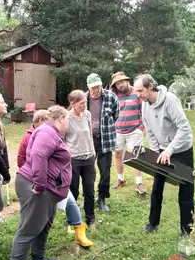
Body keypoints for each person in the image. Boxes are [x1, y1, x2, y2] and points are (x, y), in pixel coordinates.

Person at [7, 105, 72, 260]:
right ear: (60, 118)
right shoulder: (47, 132)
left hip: (48, 189)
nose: (68, 124)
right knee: (29, 227)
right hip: (36, 186)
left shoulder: (51, 133)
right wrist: (40, 184)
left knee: (44, 224)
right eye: (67, 120)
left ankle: (38, 259)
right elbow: (38, 155)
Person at [17, 109, 94, 248]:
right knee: (31, 223)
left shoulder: (51, 133)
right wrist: (38, 182)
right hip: (41, 184)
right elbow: (29, 159)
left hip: (54, 183)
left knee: (47, 219)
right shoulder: (43, 134)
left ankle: (39, 257)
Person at [133, 74, 195, 235]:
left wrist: (170, 149)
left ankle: (187, 229)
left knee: (185, 191)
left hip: (181, 150)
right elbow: (150, 132)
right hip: (162, 151)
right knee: (156, 188)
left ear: (150, 87)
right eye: (136, 91)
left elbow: (184, 128)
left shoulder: (170, 100)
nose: (138, 94)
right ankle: (153, 224)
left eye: (140, 90)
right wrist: (156, 152)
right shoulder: (145, 105)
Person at [109, 71, 148, 195]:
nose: (120, 85)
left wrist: (141, 127)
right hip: (118, 131)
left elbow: (145, 112)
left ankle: (139, 183)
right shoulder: (114, 95)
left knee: (135, 157)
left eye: (122, 82)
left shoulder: (137, 93)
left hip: (134, 131)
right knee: (118, 154)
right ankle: (121, 179)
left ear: (127, 81)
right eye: (117, 83)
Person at [86, 73, 119, 212]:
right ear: (88, 87)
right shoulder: (83, 98)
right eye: (93, 87)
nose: (96, 90)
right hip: (88, 141)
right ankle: (89, 197)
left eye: (98, 86)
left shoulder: (111, 97)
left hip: (105, 139)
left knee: (105, 171)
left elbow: (115, 115)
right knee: (88, 171)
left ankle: (102, 198)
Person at [65, 90, 96, 227]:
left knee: (89, 190)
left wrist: (93, 152)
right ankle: (72, 221)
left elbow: (89, 134)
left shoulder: (87, 115)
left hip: (89, 157)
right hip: (73, 159)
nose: (85, 105)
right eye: (82, 103)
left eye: (85, 102)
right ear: (72, 104)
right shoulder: (66, 118)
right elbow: (63, 140)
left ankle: (91, 218)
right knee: (74, 190)